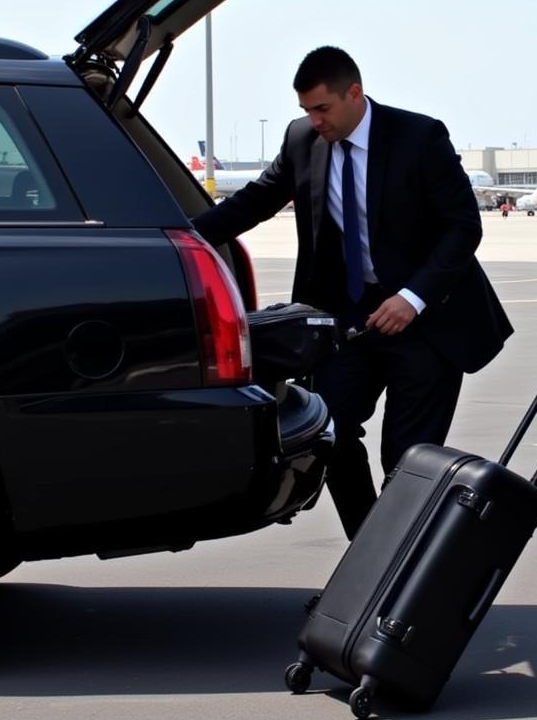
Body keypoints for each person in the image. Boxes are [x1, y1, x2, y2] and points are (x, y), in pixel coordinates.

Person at [194, 46, 513, 539]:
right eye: (306, 111)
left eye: (322, 109)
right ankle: (369, 560)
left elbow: (462, 228)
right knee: (331, 435)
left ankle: (398, 581)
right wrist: (179, 237)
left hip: (425, 324)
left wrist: (413, 297)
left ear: (354, 94)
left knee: (407, 459)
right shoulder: (303, 141)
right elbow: (255, 201)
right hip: (350, 322)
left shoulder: (419, 137)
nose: (314, 120)